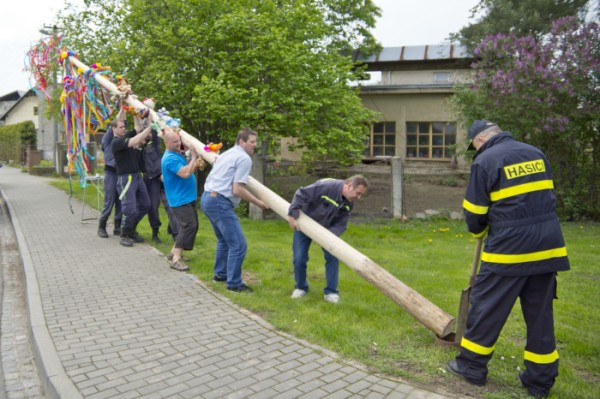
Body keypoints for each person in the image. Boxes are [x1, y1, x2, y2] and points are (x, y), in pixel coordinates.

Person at [446, 120, 570, 399]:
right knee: (540, 317)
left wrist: (479, 228)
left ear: (479, 140)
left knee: (487, 308)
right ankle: (539, 382)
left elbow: (475, 212)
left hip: (509, 251)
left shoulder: (485, 160)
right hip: (549, 248)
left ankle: (471, 367)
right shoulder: (536, 153)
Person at [200, 128, 269, 293]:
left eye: (255, 142)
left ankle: (220, 275)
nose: (255, 145)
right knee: (238, 244)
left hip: (207, 198)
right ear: (241, 142)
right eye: (252, 142)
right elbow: (237, 189)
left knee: (224, 241)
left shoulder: (227, 154)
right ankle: (234, 284)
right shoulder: (244, 158)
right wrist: (258, 202)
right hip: (219, 202)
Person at [287, 175, 368, 304]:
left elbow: (341, 223)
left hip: (327, 229)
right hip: (305, 222)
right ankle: (301, 288)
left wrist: (328, 238)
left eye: (360, 195)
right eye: (358, 193)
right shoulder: (326, 186)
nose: (358, 197)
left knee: (333, 258)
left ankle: (331, 292)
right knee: (299, 258)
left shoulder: (349, 202)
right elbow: (301, 193)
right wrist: (292, 214)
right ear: (349, 186)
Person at [161, 128, 202, 271]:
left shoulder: (176, 153)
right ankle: (176, 259)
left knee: (193, 225)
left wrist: (194, 161)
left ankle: (173, 253)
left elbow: (188, 169)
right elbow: (185, 173)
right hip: (179, 199)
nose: (179, 144)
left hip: (187, 197)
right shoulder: (170, 158)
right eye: (175, 142)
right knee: (188, 226)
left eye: (179, 140)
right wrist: (194, 158)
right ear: (166, 143)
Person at [111, 108, 153, 247]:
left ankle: (131, 229)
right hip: (126, 179)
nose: (124, 129)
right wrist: (151, 127)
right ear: (114, 129)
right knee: (129, 208)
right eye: (121, 127)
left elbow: (138, 128)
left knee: (145, 204)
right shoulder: (116, 142)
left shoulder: (124, 137)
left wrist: (135, 113)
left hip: (137, 176)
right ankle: (124, 234)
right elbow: (136, 139)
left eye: (124, 126)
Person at [97, 124, 122, 238]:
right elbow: (115, 122)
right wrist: (121, 111)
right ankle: (102, 226)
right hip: (110, 173)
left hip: (121, 173)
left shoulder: (121, 139)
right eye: (120, 127)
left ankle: (117, 226)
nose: (123, 128)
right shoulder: (107, 140)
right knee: (109, 200)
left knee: (120, 201)